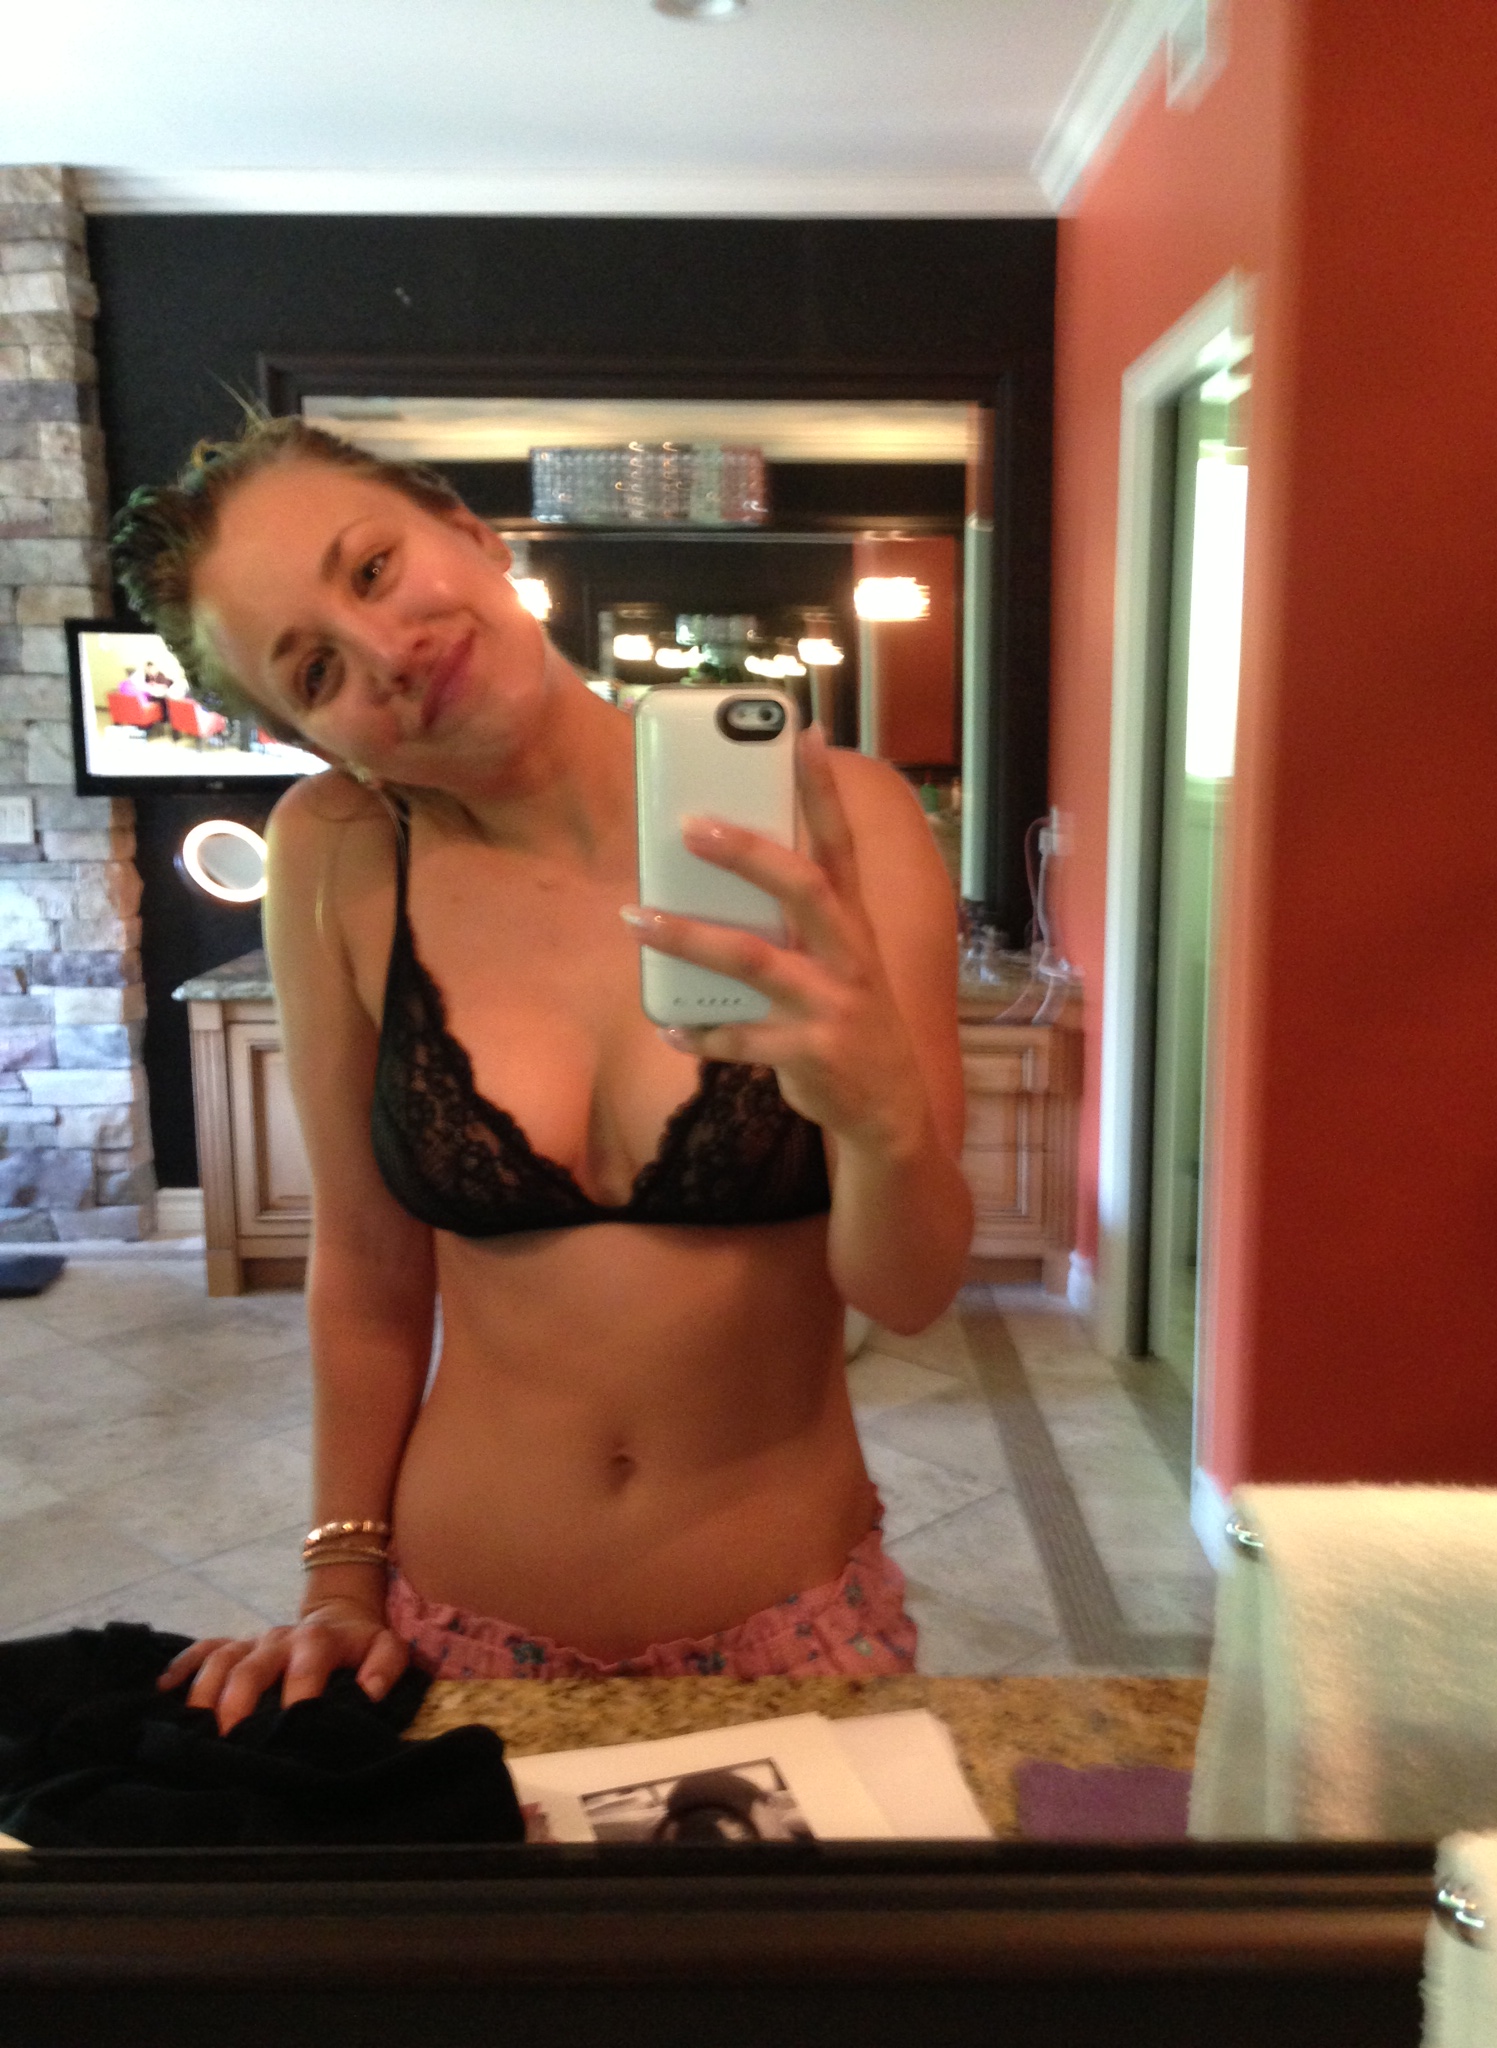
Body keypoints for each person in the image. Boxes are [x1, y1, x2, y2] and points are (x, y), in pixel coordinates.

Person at [110, 419, 972, 1732]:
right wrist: (339, 1582)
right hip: (454, 1633)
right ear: (315, 739)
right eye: (315, 668)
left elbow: (907, 1294)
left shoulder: (841, 818)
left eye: (373, 568)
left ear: (471, 533)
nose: (388, 651)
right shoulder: (337, 858)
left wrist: (880, 1120)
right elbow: (369, 1273)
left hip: (795, 1625)